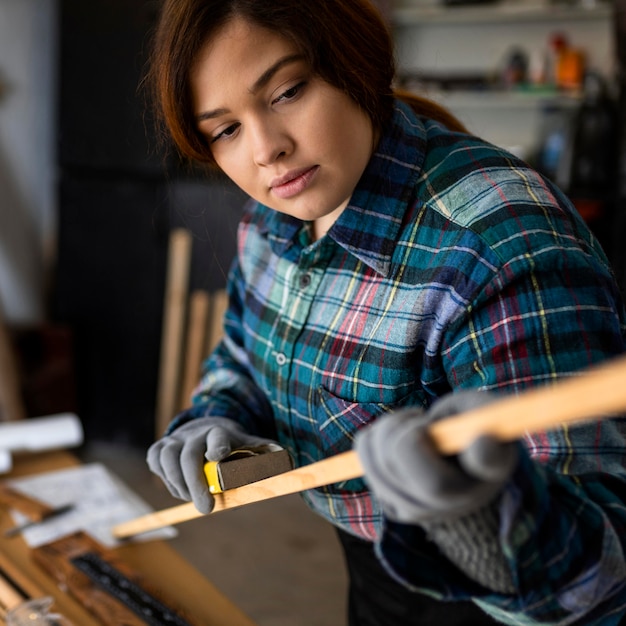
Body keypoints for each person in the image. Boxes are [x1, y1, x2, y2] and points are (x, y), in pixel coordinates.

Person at [144, 1, 626, 624]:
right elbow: (242, 347)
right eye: (226, 130)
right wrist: (214, 421)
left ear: (355, 61)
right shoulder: (274, 216)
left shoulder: (498, 240)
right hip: (372, 574)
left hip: (496, 600)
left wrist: (481, 517)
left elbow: (604, 578)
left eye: (288, 91)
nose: (268, 150)